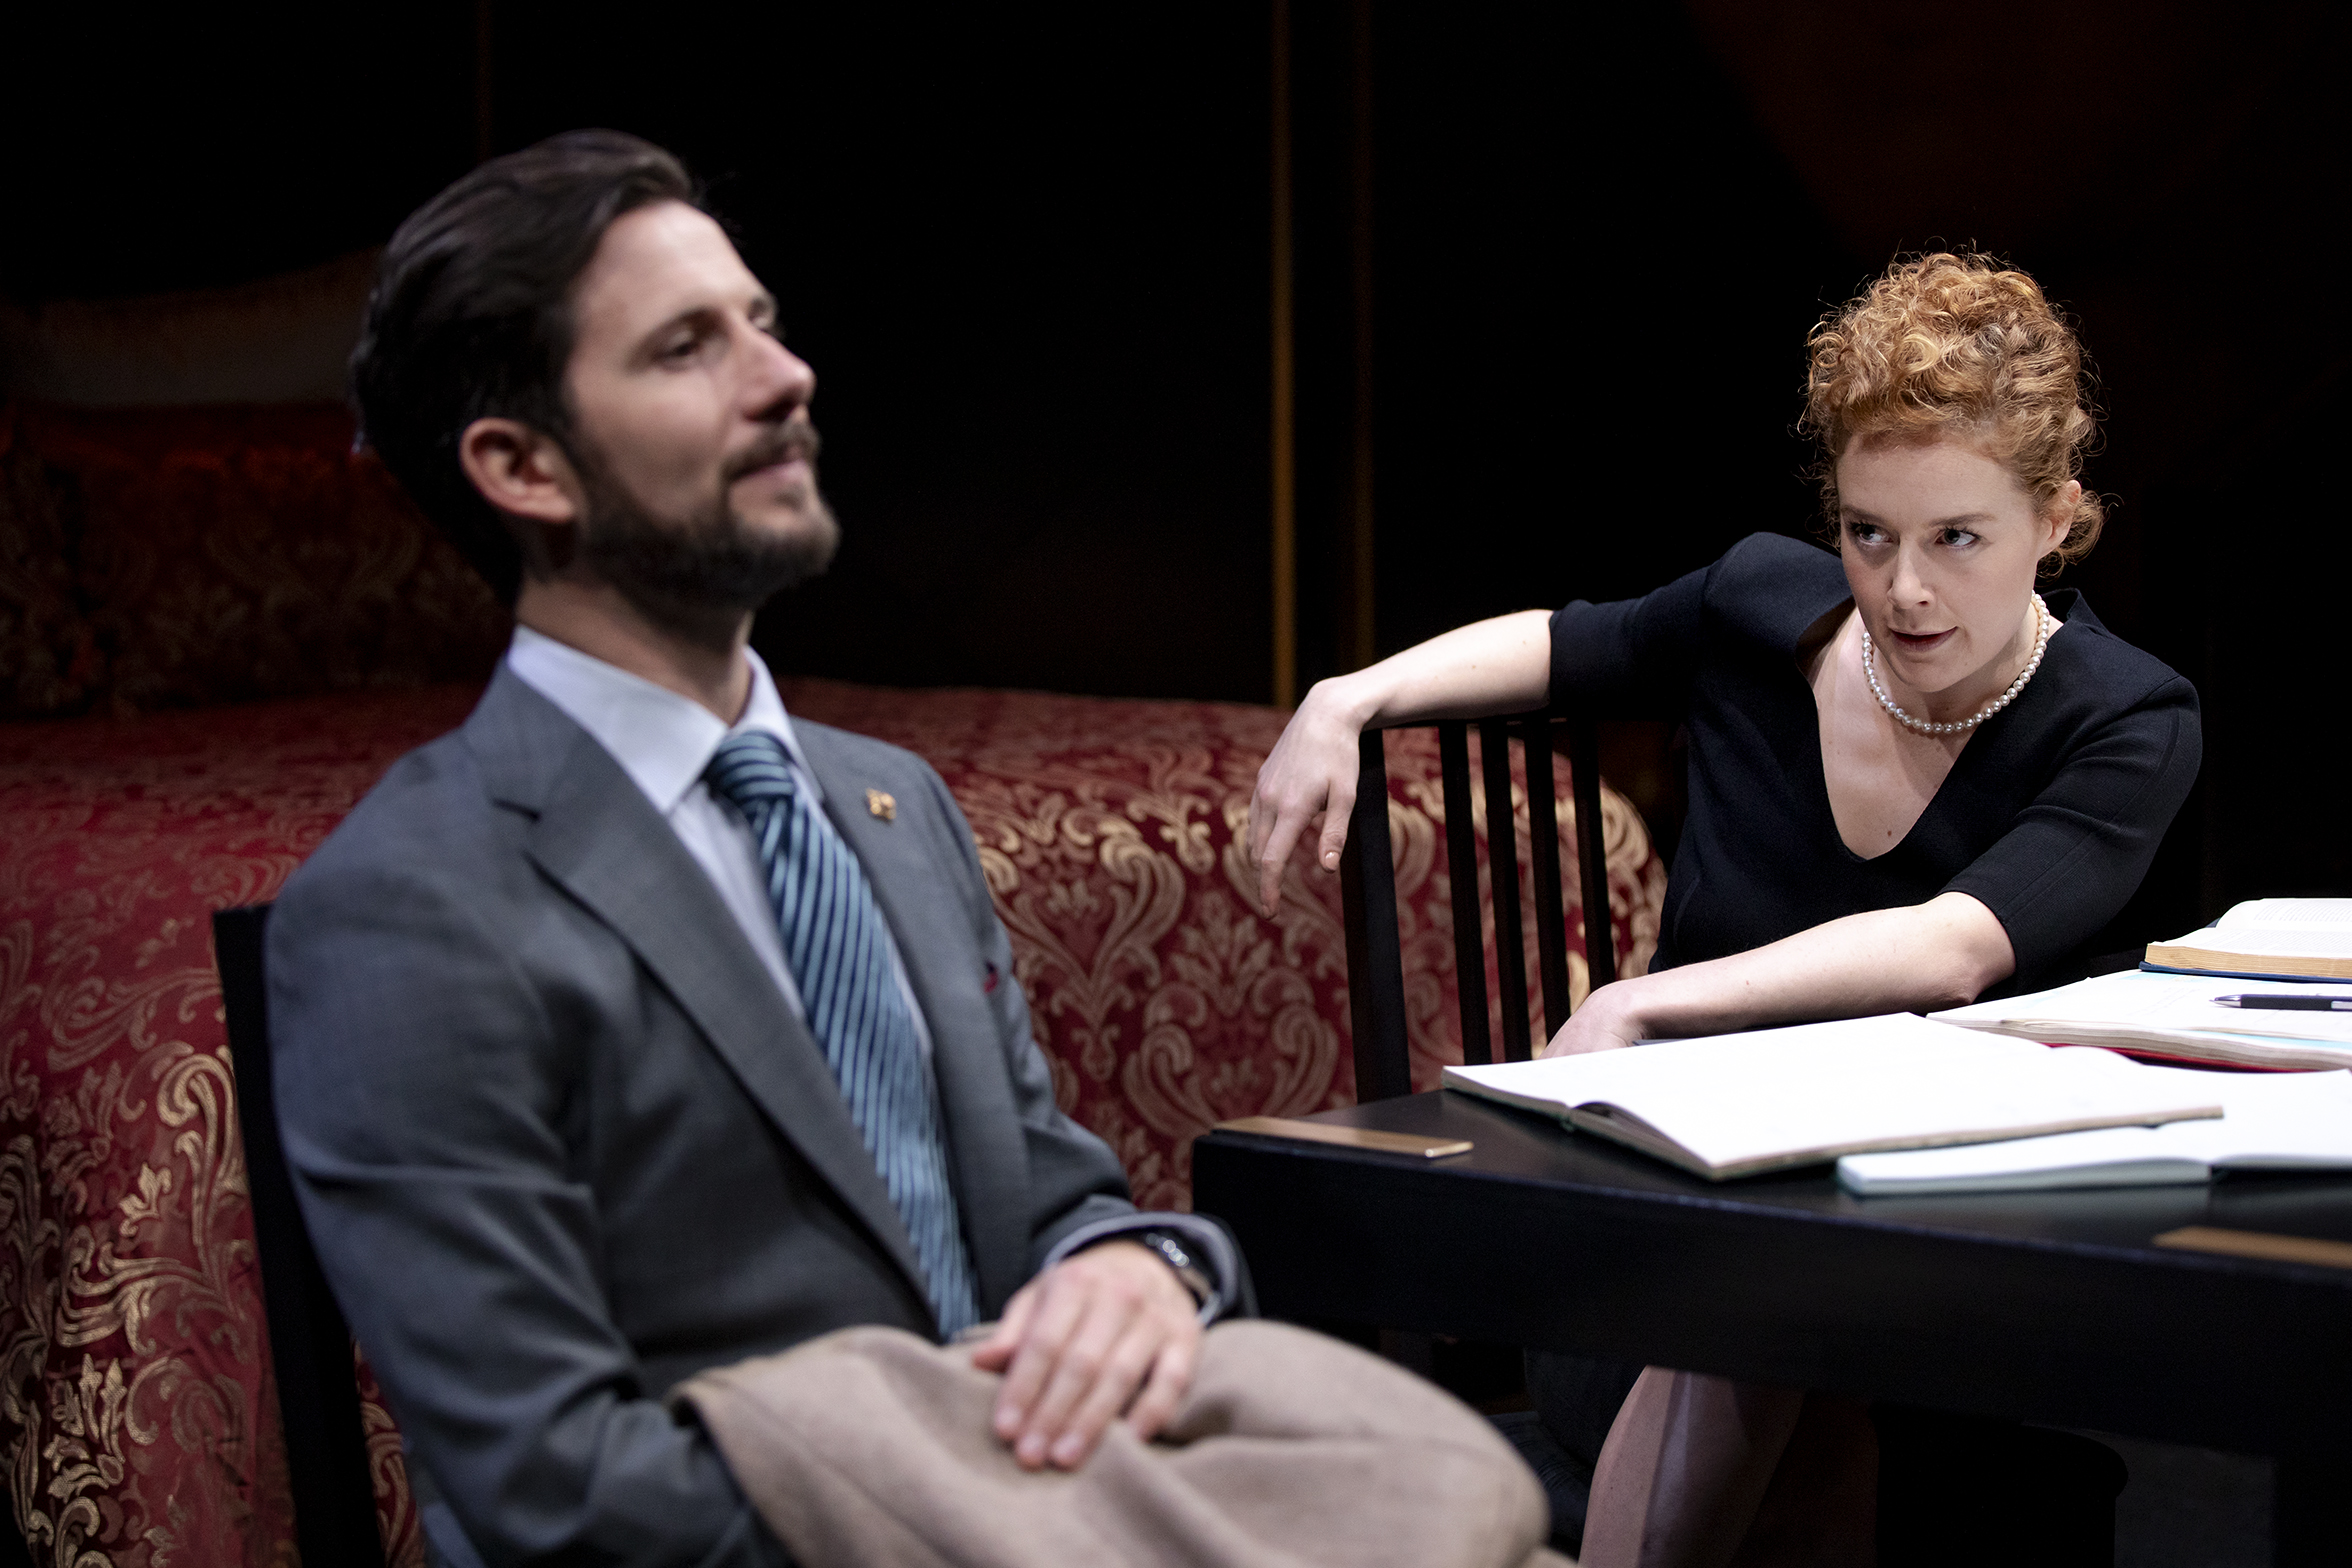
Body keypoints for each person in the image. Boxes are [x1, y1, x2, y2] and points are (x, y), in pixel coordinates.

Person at [267, 131, 1255, 1567]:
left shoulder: (895, 803)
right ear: (522, 465)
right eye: (684, 348)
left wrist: (1143, 1274)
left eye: (764, 324)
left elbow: (1054, 1204)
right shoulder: (404, 909)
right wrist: (1003, 1514)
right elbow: (555, 1495)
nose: (785, 378)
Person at [1248, 252, 2201, 1565]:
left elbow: (1952, 943)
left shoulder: (2127, 717)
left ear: (2058, 519)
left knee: (1804, 1327)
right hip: (1670, 1257)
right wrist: (1347, 692)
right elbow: (1565, 640)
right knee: (1766, 1307)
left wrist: (1647, 998)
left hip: (1949, 1270)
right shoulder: (1760, 607)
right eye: (1869, 532)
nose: (1905, 588)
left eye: (1956, 538)